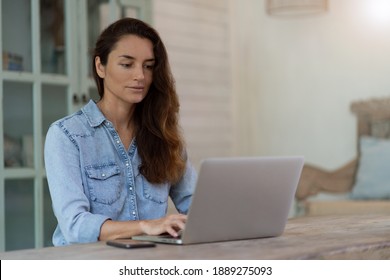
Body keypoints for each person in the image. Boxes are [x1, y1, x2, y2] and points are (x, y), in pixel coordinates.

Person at [44, 17, 197, 246]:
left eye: (148, 66)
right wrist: (145, 226)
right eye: (127, 64)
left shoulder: (163, 134)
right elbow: (75, 225)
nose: (140, 76)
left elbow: (196, 204)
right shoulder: (67, 135)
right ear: (100, 67)